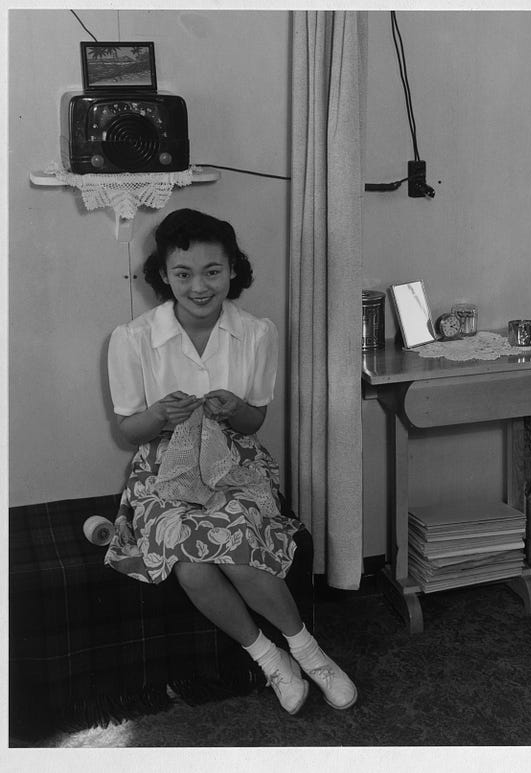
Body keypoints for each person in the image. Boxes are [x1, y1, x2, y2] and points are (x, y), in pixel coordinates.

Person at [105, 208, 357, 715]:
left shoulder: (258, 333)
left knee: (235, 545)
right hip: (162, 471)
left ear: (233, 271)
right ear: (163, 275)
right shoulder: (131, 339)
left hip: (234, 462)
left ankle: (310, 654)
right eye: (183, 273)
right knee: (191, 564)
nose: (199, 286)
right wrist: (159, 415)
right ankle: (270, 660)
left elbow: (254, 421)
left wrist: (234, 408)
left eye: (212, 272)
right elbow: (127, 430)